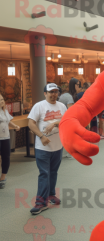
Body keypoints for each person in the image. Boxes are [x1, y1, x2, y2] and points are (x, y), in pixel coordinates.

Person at [28, 83, 67, 215]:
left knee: (53, 172)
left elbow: (67, 121)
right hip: (42, 147)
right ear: (45, 93)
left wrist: (54, 123)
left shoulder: (62, 106)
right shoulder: (39, 106)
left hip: (58, 146)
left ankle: (51, 195)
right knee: (44, 174)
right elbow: (30, 123)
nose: (53, 94)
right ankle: (40, 203)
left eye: (56, 92)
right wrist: (41, 136)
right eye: (50, 92)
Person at [0, 94, 20, 189]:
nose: (2, 101)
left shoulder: (4, 111)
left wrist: (15, 126)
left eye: (2, 99)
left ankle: (3, 177)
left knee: (6, 157)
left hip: (5, 138)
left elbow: (8, 121)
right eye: (0, 100)